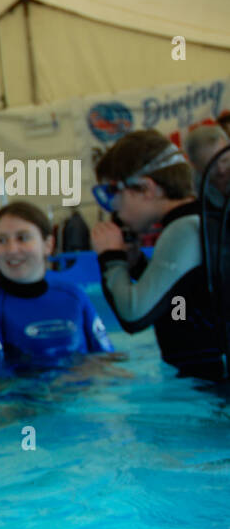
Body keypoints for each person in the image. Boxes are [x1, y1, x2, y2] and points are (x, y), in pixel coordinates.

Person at [89, 130, 226, 380]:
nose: (114, 206)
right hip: (208, 380)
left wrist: (111, 259)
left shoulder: (184, 228)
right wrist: (137, 265)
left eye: (113, 192)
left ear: (147, 188)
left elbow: (134, 315)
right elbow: (180, 308)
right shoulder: (200, 221)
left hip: (212, 390)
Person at [0, 202, 113, 373]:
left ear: (48, 245)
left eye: (23, 238)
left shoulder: (74, 297)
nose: (12, 249)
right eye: (1, 240)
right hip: (25, 399)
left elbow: (107, 360)